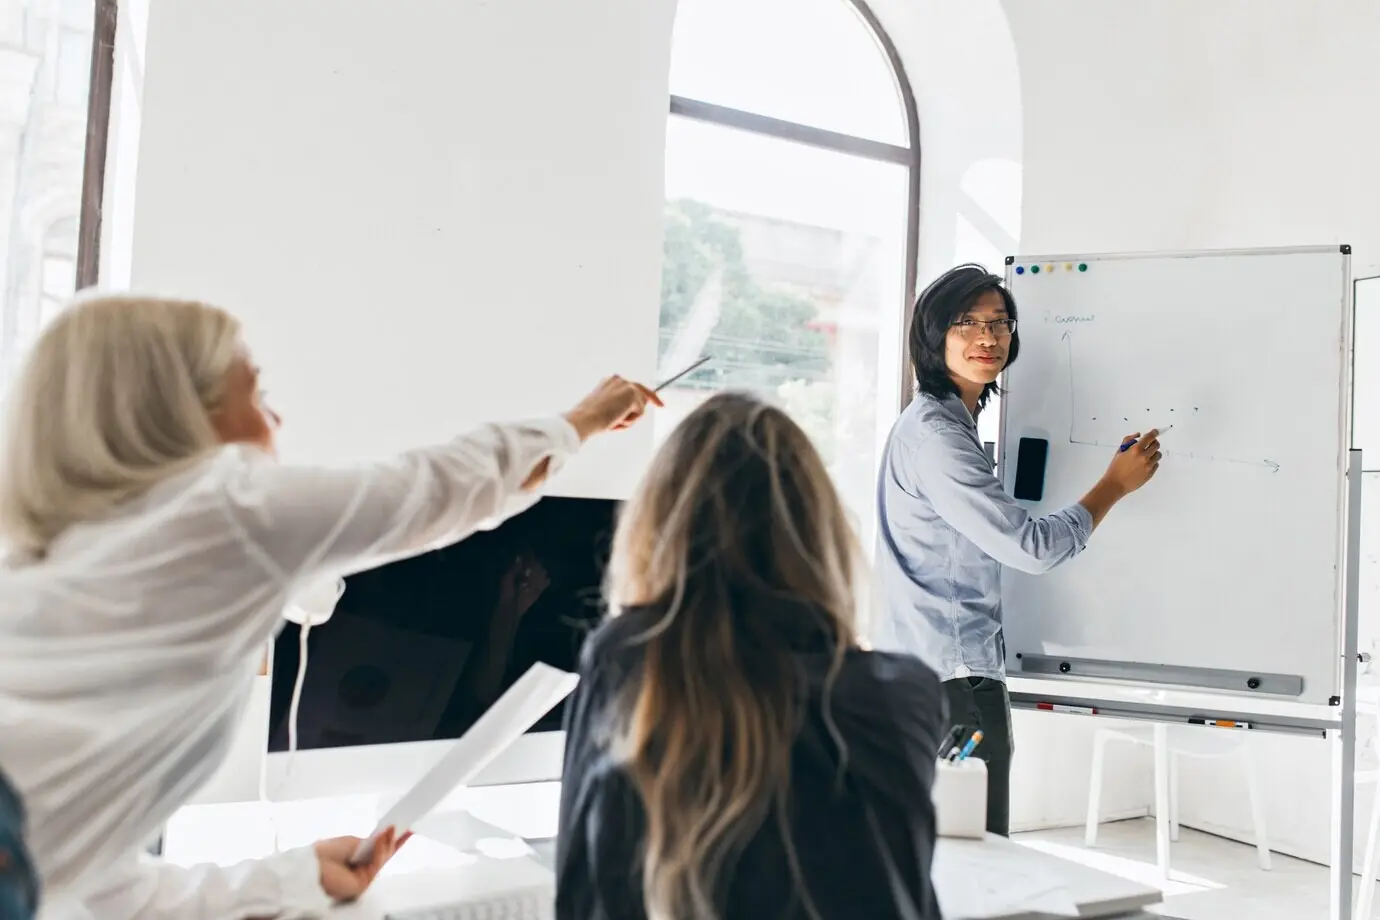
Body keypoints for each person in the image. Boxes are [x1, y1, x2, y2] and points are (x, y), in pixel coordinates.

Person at [0, 293, 659, 920]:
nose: (277, 422)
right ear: (179, 414)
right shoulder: (222, 513)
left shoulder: (60, 561)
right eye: (257, 394)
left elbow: (116, 892)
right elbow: (436, 490)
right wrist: (583, 421)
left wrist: (294, 877)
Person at [557, 391, 946, 920]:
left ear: (658, 527)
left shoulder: (626, 656)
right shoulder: (903, 692)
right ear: (819, 530)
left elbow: (578, 890)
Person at [874, 264, 1160, 837]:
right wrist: (1113, 485)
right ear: (933, 335)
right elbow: (1031, 548)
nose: (987, 337)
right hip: (956, 687)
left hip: (931, 677)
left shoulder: (942, 425)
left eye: (999, 322)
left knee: (945, 853)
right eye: (967, 323)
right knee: (976, 852)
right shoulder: (939, 438)